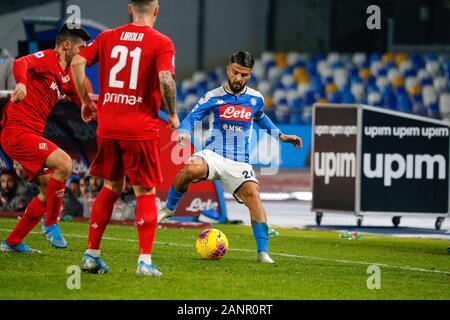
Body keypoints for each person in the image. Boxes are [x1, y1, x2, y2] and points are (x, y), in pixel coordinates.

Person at [157, 51, 302, 263]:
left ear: (250, 75)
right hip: (213, 155)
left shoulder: (256, 99)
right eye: (235, 73)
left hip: (239, 162)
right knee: (191, 169)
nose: (238, 78)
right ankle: (168, 208)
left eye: (243, 75)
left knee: (253, 195)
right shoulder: (213, 96)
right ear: (228, 69)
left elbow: (261, 119)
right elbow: (191, 118)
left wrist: (281, 136)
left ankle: (263, 252)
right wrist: (184, 133)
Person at [71, 0, 179, 276]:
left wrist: (85, 101)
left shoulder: (108, 37)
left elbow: (77, 61)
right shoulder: (162, 42)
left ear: (130, 8)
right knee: (145, 191)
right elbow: (166, 79)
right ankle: (144, 261)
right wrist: (174, 114)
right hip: (139, 128)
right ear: (156, 10)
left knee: (111, 186)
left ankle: (91, 255)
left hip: (107, 126)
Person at [0, 23, 91, 253]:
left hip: (30, 135)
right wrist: (21, 82)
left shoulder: (67, 75)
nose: (83, 53)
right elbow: (22, 62)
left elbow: (83, 101)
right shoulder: (47, 58)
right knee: (64, 162)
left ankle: (12, 241)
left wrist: (94, 109)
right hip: (17, 132)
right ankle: (51, 223)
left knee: (48, 190)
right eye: (81, 48)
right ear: (67, 45)